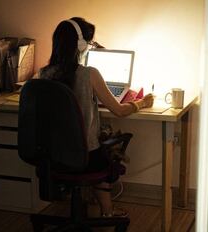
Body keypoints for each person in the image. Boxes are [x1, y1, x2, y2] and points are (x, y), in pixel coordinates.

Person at [37, 17, 154, 217]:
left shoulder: (44, 74)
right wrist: (143, 102)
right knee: (104, 149)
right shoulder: (89, 74)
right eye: (89, 43)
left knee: (95, 143)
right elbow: (120, 111)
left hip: (53, 157)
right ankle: (108, 212)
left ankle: (92, 207)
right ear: (81, 44)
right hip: (85, 158)